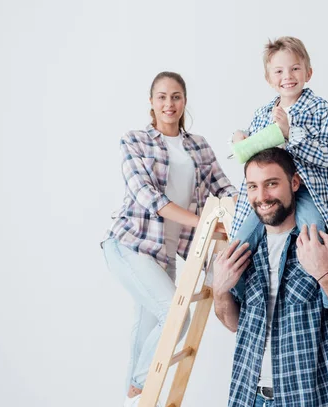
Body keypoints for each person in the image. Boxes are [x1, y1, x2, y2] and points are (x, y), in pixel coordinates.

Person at [101, 71, 237, 407]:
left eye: (175, 96)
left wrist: (243, 208)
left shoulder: (198, 146)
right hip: (129, 245)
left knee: (147, 326)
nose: (169, 103)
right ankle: (138, 383)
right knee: (176, 316)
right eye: (161, 97)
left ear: (184, 101)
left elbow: (223, 187)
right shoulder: (134, 140)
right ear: (151, 102)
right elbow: (147, 197)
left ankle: (133, 396)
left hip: (166, 255)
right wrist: (202, 222)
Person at [213, 148, 328, 407]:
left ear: (294, 183)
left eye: (271, 184)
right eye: (252, 187)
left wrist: (324, 273)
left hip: (308, 399)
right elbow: (234, 324)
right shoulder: (244, 250)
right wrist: (220, 291)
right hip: (247, 397)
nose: (262, 197)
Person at [230, 36, 328, 312]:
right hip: (268, 192)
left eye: (294, 69)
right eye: (279, 71)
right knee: (237, 244)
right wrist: (239, 140)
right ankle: (242, 303)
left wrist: (291, 134)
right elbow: (253, 156)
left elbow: (326, 156)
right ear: (269, 79)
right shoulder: (262, 113)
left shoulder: (322, 110)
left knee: (314, 236)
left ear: (308, 73)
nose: (287, 77)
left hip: (305, 191)